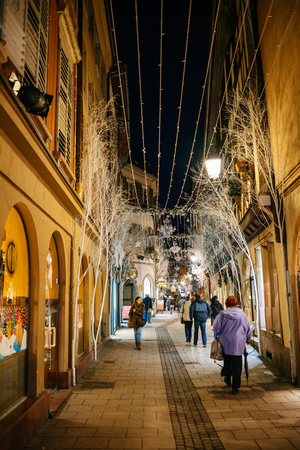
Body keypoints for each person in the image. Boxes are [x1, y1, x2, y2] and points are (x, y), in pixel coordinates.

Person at [213, 295, 251, 395]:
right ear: (235, 303)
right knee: (237, 365)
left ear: (226, 304)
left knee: (227, 362)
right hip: (239, 343)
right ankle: (235, 387)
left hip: (226, 342)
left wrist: (220, 333)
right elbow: (247, 328)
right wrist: (248, 338)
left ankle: (228, 380)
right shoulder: (242, 315)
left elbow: (216, 328)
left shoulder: (222, 315)